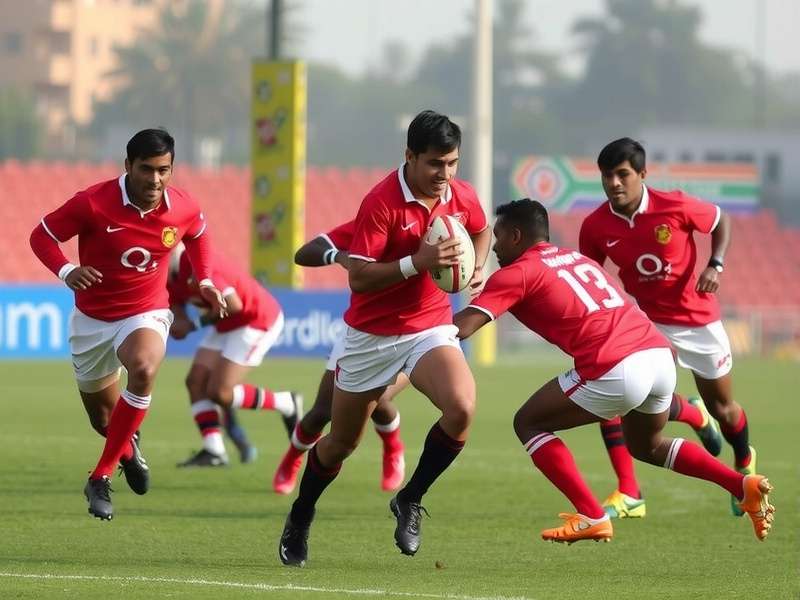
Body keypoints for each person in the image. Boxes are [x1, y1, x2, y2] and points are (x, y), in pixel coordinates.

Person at [454, 198, 774, 544]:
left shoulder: (515, 272)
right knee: (647, 446)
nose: (494, 248)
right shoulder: (576, 259)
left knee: (528, 422)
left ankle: (591, 514)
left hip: (615, 366)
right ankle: (740, 484)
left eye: (498, 237)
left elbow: (462, 328)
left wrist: (420, 326)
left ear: (516, 236)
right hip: (658, 356)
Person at [278, 110, 492, 567]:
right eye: (435, 163)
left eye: (452, 162)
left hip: (428, 327)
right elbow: (360, 280)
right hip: (370, 336)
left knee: (463, 408)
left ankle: (409, 499)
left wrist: (478, 265)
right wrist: (420, 261)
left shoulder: (461, 194)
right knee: (342, 443)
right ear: (410, 156)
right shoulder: (381, 202)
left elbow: (480, 228)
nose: (445, 174)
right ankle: (301, 514)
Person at [29, 129, 227, 520]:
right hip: (92, 321)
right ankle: (129, 450)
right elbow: (42, 236)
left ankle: (100, 476)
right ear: (128, 167)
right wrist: (67, 270)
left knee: (143, 367)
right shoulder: (93, 202)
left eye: (164, 170)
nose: (155, 180)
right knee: (102, 419)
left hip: (145, 311)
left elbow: (200, 235)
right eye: (147, 170)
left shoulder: (182, 206)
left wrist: (204, 280)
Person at [579, 137, 756, 517]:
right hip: (644, 323)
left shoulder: (674, 204)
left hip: (697, 320)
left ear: (642, 174)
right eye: (607, 175)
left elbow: (720, 219)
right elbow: (589, 275)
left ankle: (742, 460)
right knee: (610, 389)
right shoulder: (595, 225)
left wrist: (716, 264)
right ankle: (629, 491)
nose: (614, 183)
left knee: (723, 409)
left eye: (622, 174)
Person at [272, 220, 407, 495]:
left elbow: (478, 231)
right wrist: (338, 256)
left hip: (412, 329)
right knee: (322, 411)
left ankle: (393, 448)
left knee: (379, 398)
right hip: (362, 330)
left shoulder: (431, 228)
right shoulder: (374, 222)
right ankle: (292, 459)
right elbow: (304, 253)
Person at [167, 244, 302, 467]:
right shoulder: (167, 272)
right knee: (195, 381)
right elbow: (176, 305)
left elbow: (233, 304)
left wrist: (191, 325)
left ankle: (286, 403)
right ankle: (215, 451)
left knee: (220, 392)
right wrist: (176, 321)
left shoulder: (194, 263)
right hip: (226, 323)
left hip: (255, 318)